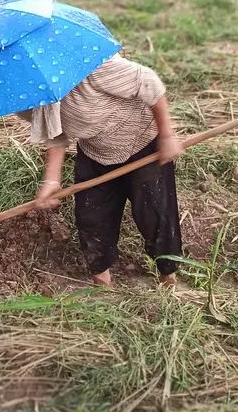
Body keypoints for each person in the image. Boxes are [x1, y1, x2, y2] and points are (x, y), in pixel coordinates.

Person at [30, 53, 183, 287]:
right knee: (92, 218)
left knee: (155, 214)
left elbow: (149, 82)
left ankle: (168, 277)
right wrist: (51, 181)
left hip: (143, 144)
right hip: (95, 153)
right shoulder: (41, 90)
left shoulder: (93, 66)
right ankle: (103, 285)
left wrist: (166, 135)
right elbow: (56, 134)